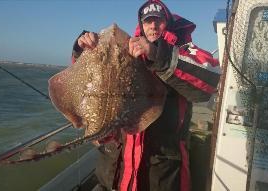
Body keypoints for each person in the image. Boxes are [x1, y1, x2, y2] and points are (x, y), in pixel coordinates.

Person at [71, 0, 221, 190]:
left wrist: (156, 54)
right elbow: (87, 78)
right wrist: (81, 49)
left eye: (158, 20)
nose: (153, 25)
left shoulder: (183, 51)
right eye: (148, 21)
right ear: (141, 25)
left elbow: (210, 81)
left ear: (168, 22)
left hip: (161, 173)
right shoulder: (128, 54)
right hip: (117, 168)